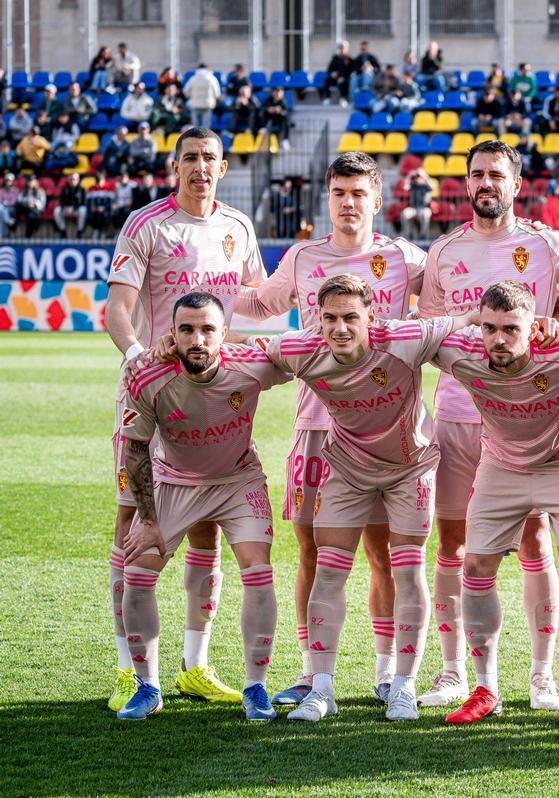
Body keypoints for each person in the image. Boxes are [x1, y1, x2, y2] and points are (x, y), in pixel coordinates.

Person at [234, 152, 429, 713]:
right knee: (313, 548)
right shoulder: (302, 257)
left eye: (357, 193)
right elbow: (259, 303)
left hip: (386, 429)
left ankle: (388, 672)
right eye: (338, 192)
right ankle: (309, 669)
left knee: (384, 552)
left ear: (376, 199)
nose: (348, 203)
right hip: (316, 428)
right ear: (329, 198)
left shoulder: (403, 258)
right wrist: (205, 281)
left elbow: (450, 298)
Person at [415, 140, 559, 709]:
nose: (485, 183)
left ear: (516, 184)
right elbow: (425, 327)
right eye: (476, 175)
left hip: (536, 415)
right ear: (466, 183)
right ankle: (454, 672)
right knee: (452, 543)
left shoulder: (545, 244)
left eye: (496, 174)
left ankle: (542, 674)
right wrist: (466, 320)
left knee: (535, 539)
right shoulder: (445, 251)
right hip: (459, 412)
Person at [103, 127, 267, 714]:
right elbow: (118, 307)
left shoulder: (238, 228)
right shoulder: (147, 224)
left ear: (223, 169)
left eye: (209, 159)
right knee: (132, 527)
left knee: (209, 531)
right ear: (175, 166)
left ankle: (195, 665)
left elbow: (251, 306)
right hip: (155, 399)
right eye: (190, 158)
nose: (200, 167)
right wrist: (133, 355)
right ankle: (129, 668)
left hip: (215, 398)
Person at [260, 274, 473, 722]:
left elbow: (469, 319)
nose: (339, 328)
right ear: (316, 319)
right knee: (328, 567)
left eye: (350, 318)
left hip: (409, 468)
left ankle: (403, 686)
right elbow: (247, 352)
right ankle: (321, 689)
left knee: (407, 567)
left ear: (371, 317)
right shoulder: (301, 349)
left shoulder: (405, 338)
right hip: (348, 469)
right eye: (330, 318)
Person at [433, 282, 559, 728]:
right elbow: (399, 334)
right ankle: (485, 688)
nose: (498, 339)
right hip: (502, 465)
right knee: (474, 566)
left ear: (532, 328)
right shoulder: (461, 352)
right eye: (489, 327)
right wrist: (460, 321)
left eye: (511, 329)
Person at [113, 292, 288, 721]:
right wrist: (149, 522)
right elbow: (135, 450)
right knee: (137, 572)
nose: (197, 339)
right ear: (171, 333)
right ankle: (147, 686)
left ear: (224, 334)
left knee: (258, 571)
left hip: (237, 479)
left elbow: (305, 356)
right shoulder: (147, 375)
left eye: (208, 329)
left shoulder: (251, 365)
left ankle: (255, 687)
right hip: (173, 481)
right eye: (187, 329)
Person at [184, 64, 222, 130]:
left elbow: (186, 92)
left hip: (195, 104)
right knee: (206, 127)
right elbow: (217, 93)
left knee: (195, 126)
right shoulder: (212, 78)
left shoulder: (193, 78)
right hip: (207, 105)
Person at [401, 169, 434, 238]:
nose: (418, 178)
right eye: (417, 177)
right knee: (404, 214)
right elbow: (405, 187)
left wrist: (425, 176)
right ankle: (409, 233)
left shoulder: (426, 186)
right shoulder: (413, 185)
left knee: (426, 214)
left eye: (419, 177)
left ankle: (423, 234)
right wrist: (409, 175)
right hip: (413, 208)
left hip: (424, 208)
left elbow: (433, 187)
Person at [324, 41, 353, 106]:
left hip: (344, 78)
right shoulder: (335, 58)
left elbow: (350, 71)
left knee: (345, 82)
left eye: (343, 48)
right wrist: (332, 73)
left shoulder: (349, 59)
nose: (342, 49)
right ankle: (327, 98)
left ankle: (343, 99)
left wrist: (343, 77)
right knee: (327, 80)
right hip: (335, 78)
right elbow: (329, 69)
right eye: (340, 47)